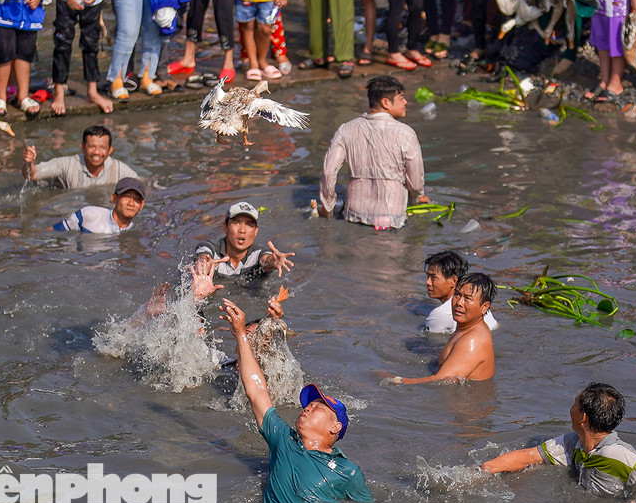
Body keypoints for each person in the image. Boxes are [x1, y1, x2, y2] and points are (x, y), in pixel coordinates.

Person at [221, 298, 374, 503]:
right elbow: (256, 391)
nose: (308, 407)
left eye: (318, 407)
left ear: (335, 426)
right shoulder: (283, 440)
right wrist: (240, 334)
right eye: (308, 405)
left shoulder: (348, 471)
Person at [482, 382, 636, 495]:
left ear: (583, 418)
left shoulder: (618, 455)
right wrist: (487, 469)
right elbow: (528, 456)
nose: (571, 408)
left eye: (575, 403)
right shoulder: (573, 442)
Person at [318, 75, 427, 230]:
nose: (405, 102)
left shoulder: (346, 129)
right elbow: (415, 181)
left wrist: (327, 207)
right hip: (391, 216)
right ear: (385, 102)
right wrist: (418, 197)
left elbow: (328, 173)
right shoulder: (405, 133)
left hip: (354, 214)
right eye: (401, 98)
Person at [382, 272, 496, 384]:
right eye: (457, 294)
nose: (459, 303)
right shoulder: (466, 329)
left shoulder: (473, 340)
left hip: (466, 400)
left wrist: (395, 380)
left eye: (467, 298)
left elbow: (442, 380)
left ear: (484, 307)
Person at [194, 202, 294, 280]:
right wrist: (203, 267)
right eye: (236, 223)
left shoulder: (258, 254)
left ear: (256, 231)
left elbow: (266, 260)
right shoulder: (210, 249)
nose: (242, 230)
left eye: (249, 224)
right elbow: (203, 257)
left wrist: (273, 262)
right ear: (225, 227)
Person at [23, 124, 139, 188]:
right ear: (82, 147)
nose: (97, 152)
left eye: (102, 148)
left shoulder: (119, 169)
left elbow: (144, 187)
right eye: (92, 146)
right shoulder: (67, 164)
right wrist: (29, 163)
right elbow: (32, 174)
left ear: (110, 150)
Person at [422, 251, 500, 333]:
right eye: (428, 276)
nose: (427, 282)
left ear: (453, 281)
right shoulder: (478, 302)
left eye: (433, 277)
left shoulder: (441, 314)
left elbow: (427, 341)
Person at [53, 176, 148, 233]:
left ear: (142, 205)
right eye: (126, 197)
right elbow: (53, 232)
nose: (131, 203)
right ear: (114, 198)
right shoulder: (89, 215)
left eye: (137, 200)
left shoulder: (137, 231)